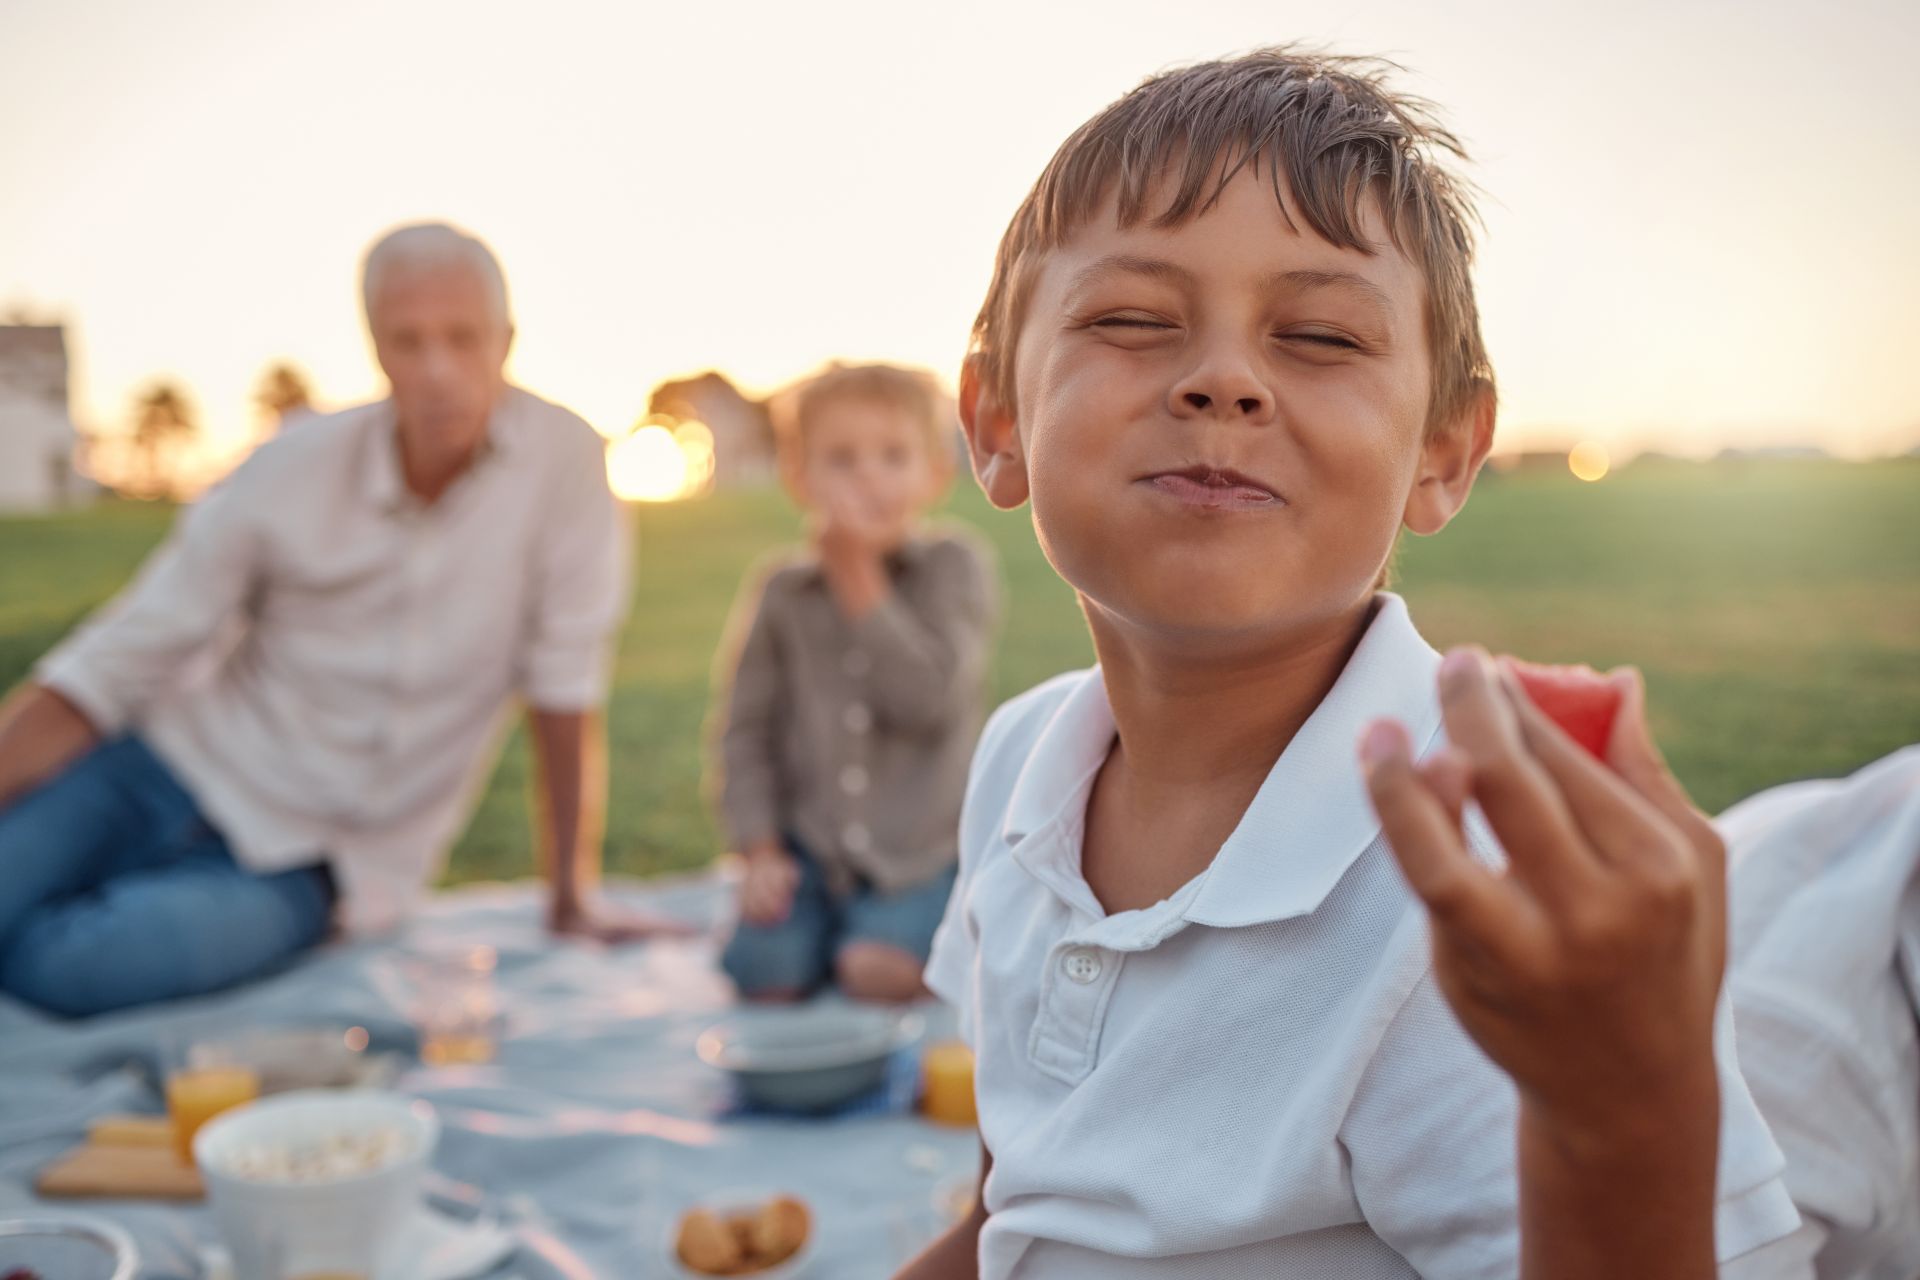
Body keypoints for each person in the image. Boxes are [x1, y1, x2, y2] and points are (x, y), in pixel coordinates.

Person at [898, 49, 1810, 1278]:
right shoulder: (1019, 758)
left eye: (1321, 335)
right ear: (997, 421)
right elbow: (1016, 1207)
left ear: (1443, 449)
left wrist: (1625, 1111)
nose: (1222, 378)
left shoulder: (1476, 878)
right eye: (1129, 319)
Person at [0, 222, 683, 1018]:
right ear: (374, 347)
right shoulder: (292, 465)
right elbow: (119, 659)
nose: (437, 371)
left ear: (507, 339)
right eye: (408, 341)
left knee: (73, 969)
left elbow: (565, 687)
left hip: (315, 862)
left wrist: (572, 895)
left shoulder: (566, 467)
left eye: (463, 339)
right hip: (157, 770)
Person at [712, 363, 998, 1003]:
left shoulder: (954, 567)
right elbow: (745, 730)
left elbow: (929, 702)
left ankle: (951, 949)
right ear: (798, 477)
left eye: (893, 456)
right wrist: (759, 851)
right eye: (841, 459)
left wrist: (857, 578)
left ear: (934, 472)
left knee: (871, 971)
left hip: (921, 857)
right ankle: (819, 933)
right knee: (761, 976)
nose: (868, 476)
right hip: (811, 854)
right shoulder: (782, 592)